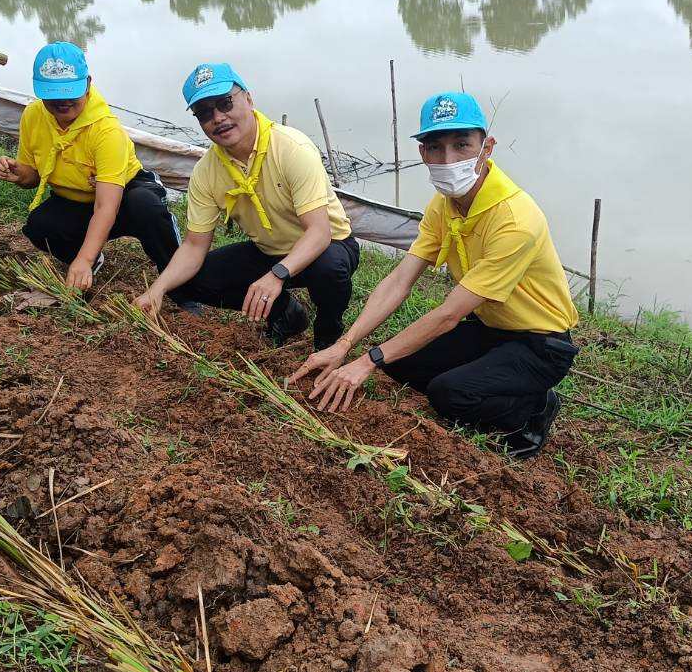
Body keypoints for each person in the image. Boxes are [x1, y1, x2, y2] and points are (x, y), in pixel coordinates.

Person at [288, 92, 578, 459]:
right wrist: (345, 345)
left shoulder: (516, 220)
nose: (448, 159)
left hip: (539, 343)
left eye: (462, 145)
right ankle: (493, 376)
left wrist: (366, 362)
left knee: (448, 394)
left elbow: (449, 314)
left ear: (487, 147)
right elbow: (400, 281)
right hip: (491, 328)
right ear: (422, 152)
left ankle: (534, 408)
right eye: (435, 148)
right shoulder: (443, 205)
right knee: (398, 361)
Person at [135, 63, 360, 350]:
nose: (218, 118)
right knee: (189, 281)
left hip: (327, 245)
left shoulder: (292, 148)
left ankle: (328, 335)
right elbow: (193, 246)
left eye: (225, 103)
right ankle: (286, 313)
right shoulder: (206, 171)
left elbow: (319, 232)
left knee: (329, 268)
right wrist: (157, 290)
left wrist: (276, 275)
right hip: (269, 251)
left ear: (249, 99)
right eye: (204, 113)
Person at [0, 42, 183, 293]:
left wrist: (84, 258)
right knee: (40, 225)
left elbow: (106, 206)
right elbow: (33, 177)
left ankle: (180, 282)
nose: (62, 101)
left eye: (69, 92)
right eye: (53, 93)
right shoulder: (33, 116)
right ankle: (91, 261)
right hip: (76, 198)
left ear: (88, 83)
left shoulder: (106, 131)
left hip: (123, 196)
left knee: (145, 207)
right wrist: (20, 175)